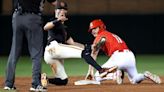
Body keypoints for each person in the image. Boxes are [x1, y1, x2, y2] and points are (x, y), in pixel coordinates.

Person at [41, 2, 117, 87]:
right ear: (55, 11)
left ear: (66, 12)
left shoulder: (64, 29)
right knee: (84, 53)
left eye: (64, 9)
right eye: (59, 9)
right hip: (53, 48)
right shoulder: (53, 21)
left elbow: (73, 43)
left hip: (51, 55)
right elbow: (45, 27)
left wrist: (89, 47)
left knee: (63, 80)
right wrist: (58, 20)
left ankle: (45, 79)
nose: (61, 11)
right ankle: (101, 70)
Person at [84, 19, 161, 84]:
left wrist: (90, 71)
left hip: (118, 57)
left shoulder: (101, 35)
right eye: (91, 30)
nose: (92, 31)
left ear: (101, 27)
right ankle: (145, 75)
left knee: (97, 76)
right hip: (130, 56)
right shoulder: (111, 34)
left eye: (94, 28)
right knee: (134, 79)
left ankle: (114, 75)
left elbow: (94, 53)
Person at [4, 0, 57, 91]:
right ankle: (36, 84)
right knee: (36, 53)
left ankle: (9, 84)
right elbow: (55, 2)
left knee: (14, 52)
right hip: (33, 18)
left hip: (17, 17)